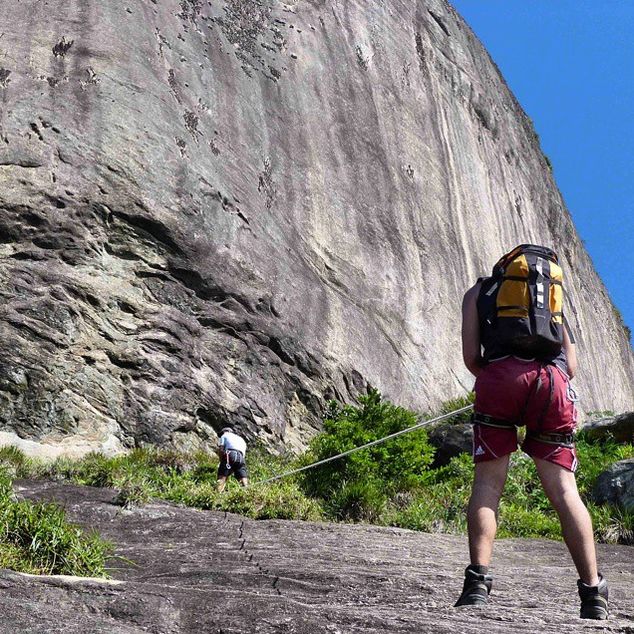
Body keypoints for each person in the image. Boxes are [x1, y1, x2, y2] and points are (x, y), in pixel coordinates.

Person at [455, 245, 609, 620]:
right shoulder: (551, 303)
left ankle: (477, 584)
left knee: (488, 486)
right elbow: (570, 365)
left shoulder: (479, 293)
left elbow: (472, 359)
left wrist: (500, 382)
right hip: (553, 385)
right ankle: (593, 595)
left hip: (500, 379)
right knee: (565, 492)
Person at [216, 426, 248, 492]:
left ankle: (218, 494)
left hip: (230, 454)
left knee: (222, 476)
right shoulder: (241, 439)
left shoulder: (224, 435)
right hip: (241, 457)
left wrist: (221, 462)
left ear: (224, 432)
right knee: (242, 478)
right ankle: (247, 492)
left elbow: (221, 450)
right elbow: (243, 454)